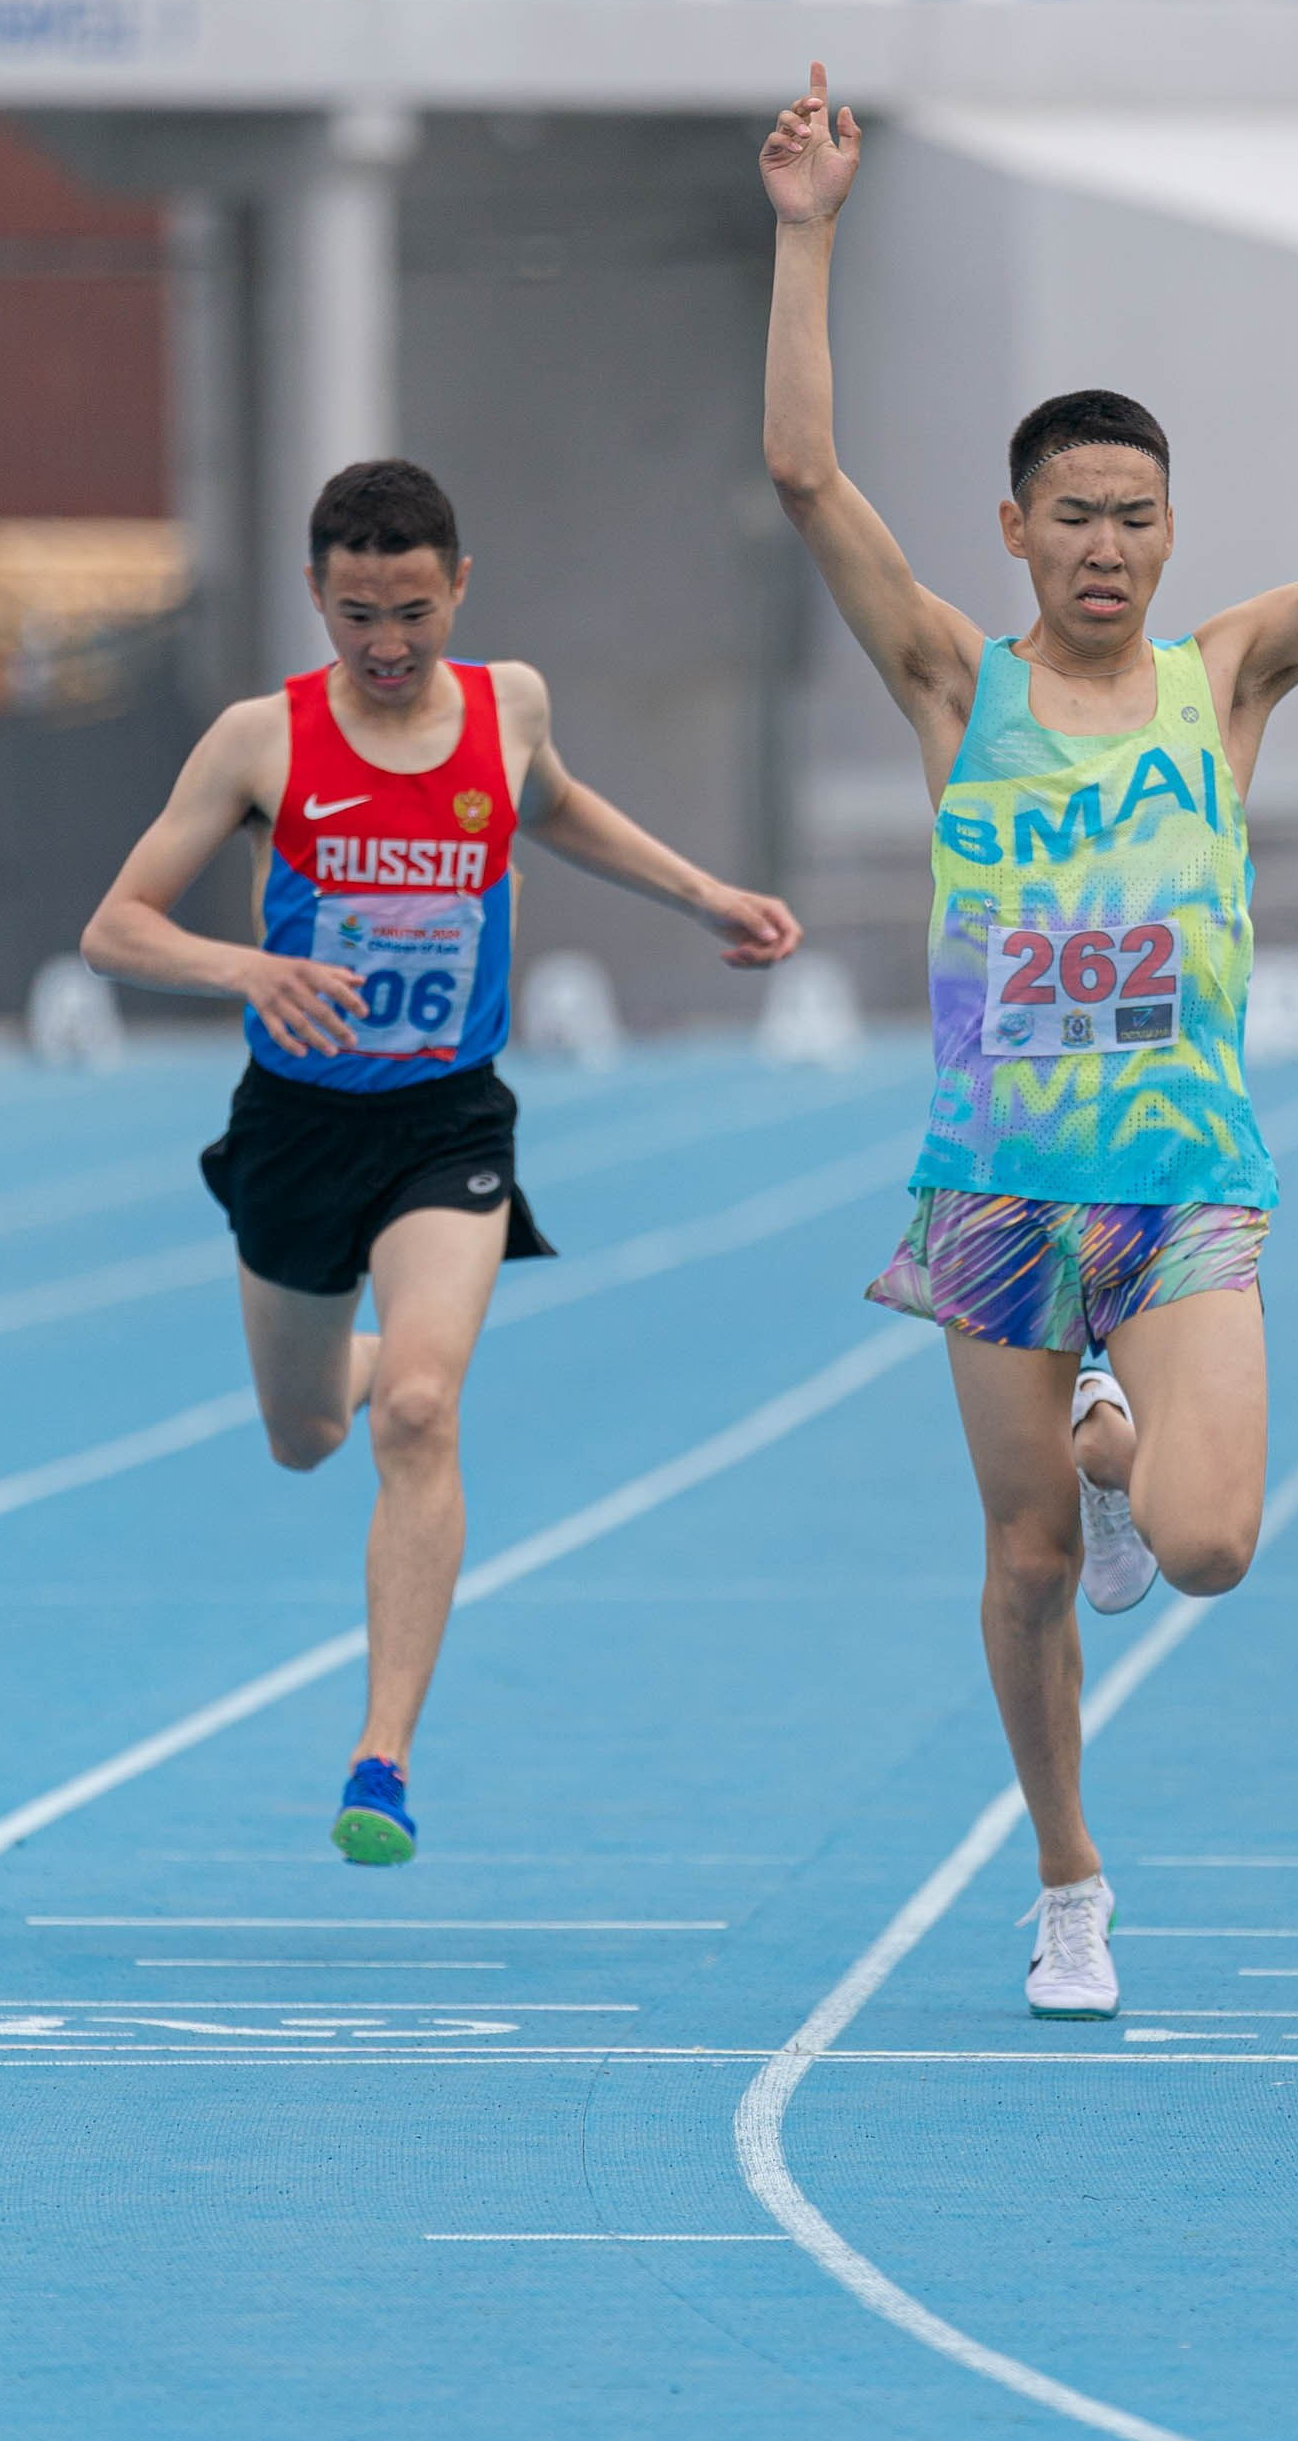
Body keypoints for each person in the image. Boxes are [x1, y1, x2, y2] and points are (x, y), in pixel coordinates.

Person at [758, 62, 1298, 2018]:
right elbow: (800, 482)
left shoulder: (1229, 677)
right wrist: (804, 233)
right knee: (1027, 1563)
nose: (1106, 548)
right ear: (1014, 528)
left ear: (1173, 531)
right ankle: (1069, 1879)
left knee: (1197, 1546)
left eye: (1137, 517)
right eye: (1074, 518)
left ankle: (1129, 1451)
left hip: (1182, 1184)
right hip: (1002, 1187)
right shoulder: (956, 681)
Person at [83, 458, 800, 1865]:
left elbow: (559, 804)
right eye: (358, 615)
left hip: (447, 1122)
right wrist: (251, 967)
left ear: (458, 585)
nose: (390, 645)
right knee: (308, 1435)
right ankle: (344, 1362)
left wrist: (705, 890)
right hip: (297, 1125)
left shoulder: (506, 703)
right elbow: (116, 928)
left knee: (421, 1409)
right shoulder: (259, 742)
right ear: (316, 597)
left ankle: (381, 1759)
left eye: (412, 610)